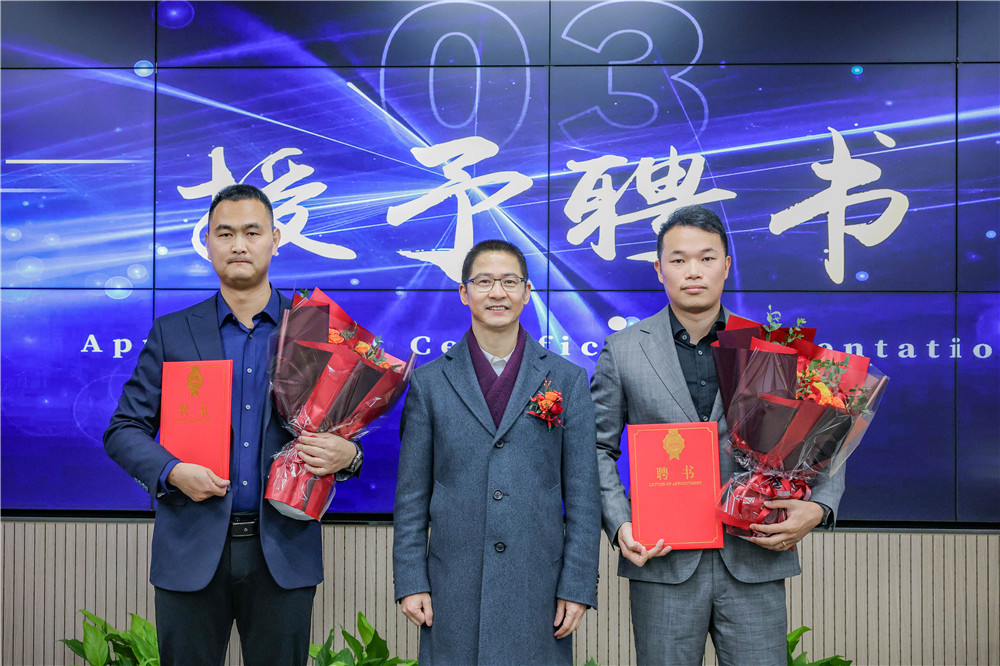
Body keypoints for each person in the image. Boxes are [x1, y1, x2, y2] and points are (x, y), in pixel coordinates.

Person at [104, 184, 364, 665]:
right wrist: (171, 471)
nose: (239, 245)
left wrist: (349, 456)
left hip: (282, 551)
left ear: (275, 239)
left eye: (252, 232)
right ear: (207, 243)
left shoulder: (316, 329)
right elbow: (123, 429)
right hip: (191, 549)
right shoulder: (173, 332)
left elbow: (347, 426)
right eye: (225, 234)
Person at [591, 205, 844, 665]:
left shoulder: (772, 345)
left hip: (753, 555)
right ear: (659, 269)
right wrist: (620, 522)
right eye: (679, 259)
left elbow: (822, 436)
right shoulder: (623, 350)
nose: (693, 271)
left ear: (726, 266)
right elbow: (595, 447)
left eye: (706, 258)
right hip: (663, 559)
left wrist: (820, 507)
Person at [392, 240, 601, 665]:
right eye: (484, 282)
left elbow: (583, 495)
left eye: (509, 282)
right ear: (464, 292)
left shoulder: (567, 378)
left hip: (538, 584)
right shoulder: (430, 383)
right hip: (453, 583)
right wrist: (411, 579)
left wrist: (577, 585)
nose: (497, 293)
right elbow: (412, 494)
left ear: (527, 291)